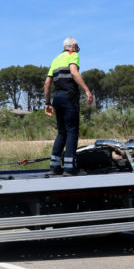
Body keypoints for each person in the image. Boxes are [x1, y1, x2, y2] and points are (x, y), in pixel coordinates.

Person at [43, 37, 94, 176]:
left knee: (62, 132)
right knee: (72, 131)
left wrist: (47, 103)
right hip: (69, 97)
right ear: (73, 46)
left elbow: (47, 84)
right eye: (77, 46)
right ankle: (70, 168)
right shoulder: (73, 55)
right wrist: (87, 90)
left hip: (57, 98)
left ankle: (54, 167)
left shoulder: (56, 59)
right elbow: (73, 72)